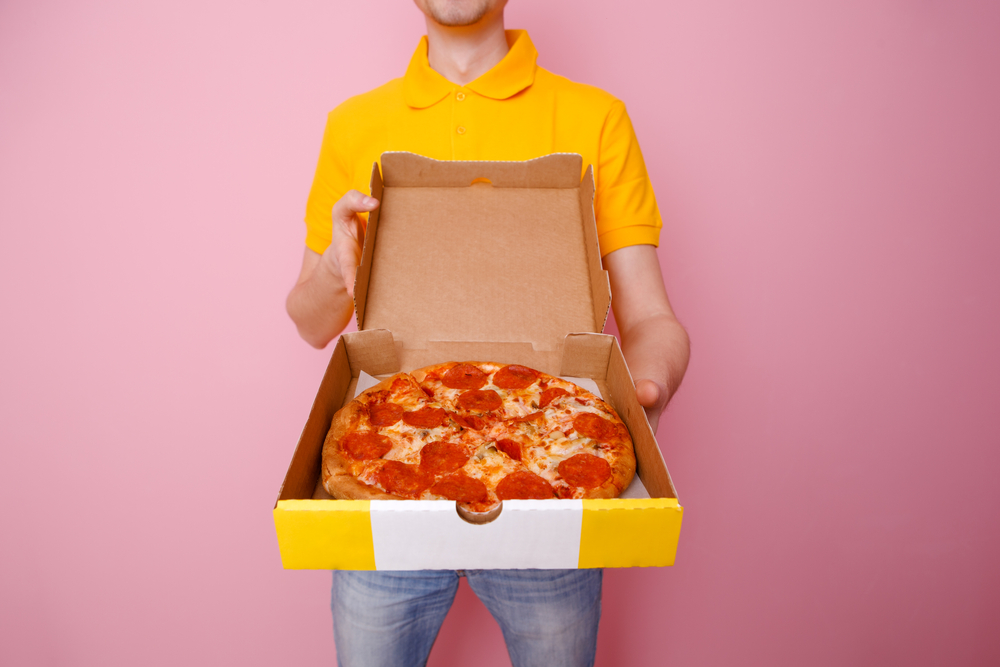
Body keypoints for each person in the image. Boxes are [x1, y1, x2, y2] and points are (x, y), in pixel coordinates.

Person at [286, 1, 690, 665]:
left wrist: (647, 389)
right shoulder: (353, 124)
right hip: (386, 506)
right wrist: (336, 270)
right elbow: (310, 323)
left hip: (549, 501)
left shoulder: (595, 117)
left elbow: (651, 320)